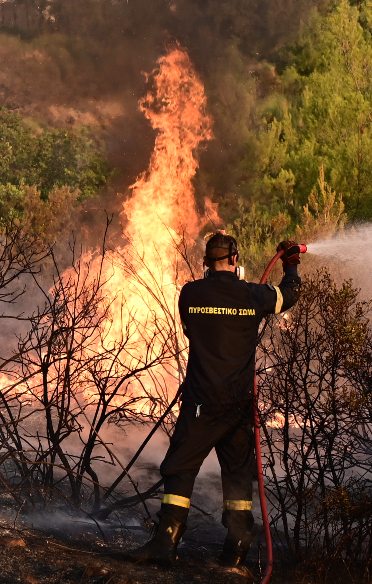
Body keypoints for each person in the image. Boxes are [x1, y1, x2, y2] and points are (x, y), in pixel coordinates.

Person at [127, 233, 301, 571]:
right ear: (235, 260)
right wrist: (291, 265)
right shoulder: (252, 294)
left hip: (200, 403)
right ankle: (236, 548)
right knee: (236, 474)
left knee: (180, 469)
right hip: (239, 405)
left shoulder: (191, 293)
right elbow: (288, 296)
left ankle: (166, 542)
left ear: (206, 263)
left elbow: (193, 331)